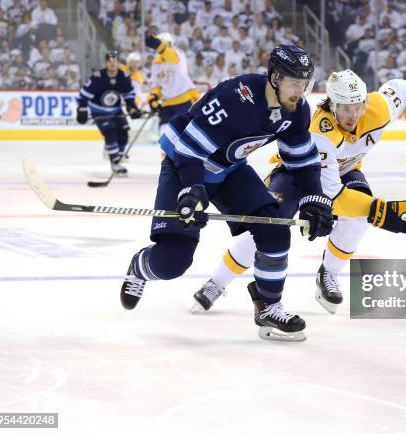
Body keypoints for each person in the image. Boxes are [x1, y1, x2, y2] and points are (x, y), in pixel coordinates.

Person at [119, 45, 334, 342]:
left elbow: (302, 159)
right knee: (172, 262)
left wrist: (315, 197)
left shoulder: (296, 111)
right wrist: (193, 189)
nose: (300, 91)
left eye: (305, 84)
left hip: (228, 169)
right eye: (294, 83)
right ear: (274, 78)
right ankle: (139, 266)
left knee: (274, 227)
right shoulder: (238, 96)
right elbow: (189, 150)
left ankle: (268, 306)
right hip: (184, 164)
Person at [192, 69, 406, 314]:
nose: (352, 116)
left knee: (359, 220)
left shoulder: (378, 108)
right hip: (296, 174)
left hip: (346, 170)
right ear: (331, 104)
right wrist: (378, 210)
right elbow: (331, 196)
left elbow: (405, 89)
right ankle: (216, 282)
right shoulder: (320, 132)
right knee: (270, 225)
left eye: (357, 107)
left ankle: (328, 274)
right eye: (344, 108)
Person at [76, 51, 142, 176]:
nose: (112, 64)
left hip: (116, 110)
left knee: (123, 133)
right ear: (106, 63)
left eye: (115, 61)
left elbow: (129, 94)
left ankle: (117, 156)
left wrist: (131, 106)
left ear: (118, 63)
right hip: (98, 111)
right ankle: (115, 162)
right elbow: (84, 95)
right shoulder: (97, 77)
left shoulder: (123, 76)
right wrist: (82, 109)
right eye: (110, 61)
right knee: (110, 132)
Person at [145, 32, 201, 134]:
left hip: (183, 101)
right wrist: (153, 97)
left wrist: (160, 46)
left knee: (183, 134)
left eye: (167, 45)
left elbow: (173, 58)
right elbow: (157, 85)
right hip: (166, 103)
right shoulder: (156, 63)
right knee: (164, 134)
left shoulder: (178, 54)